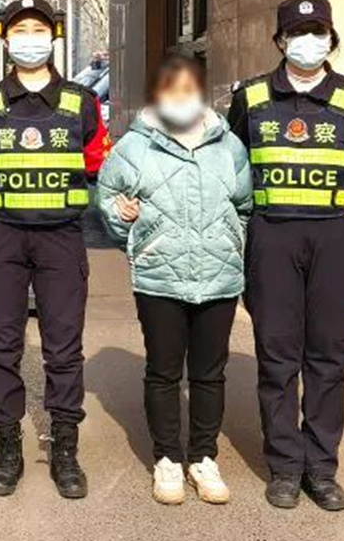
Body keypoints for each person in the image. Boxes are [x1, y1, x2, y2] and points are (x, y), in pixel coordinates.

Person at [228, 0, 344, 513]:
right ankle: (284, 466)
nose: (309, 41)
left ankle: (321, 468)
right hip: (271, 237)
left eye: (318, 32)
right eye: (298, 32)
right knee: (277, 355)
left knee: (328, 356)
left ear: (331, 39)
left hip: (335, 238)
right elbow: (228, 172)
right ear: (280, 41)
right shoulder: (250, 97)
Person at [0, 0, 110, 499]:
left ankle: (65, 450)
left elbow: (95, 163)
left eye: (38, 30)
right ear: (5, 41)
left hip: (61, 238)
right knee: (1, 345)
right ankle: (8, 450)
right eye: (19, 30)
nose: (29, 39)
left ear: (53, 37)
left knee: (63, 347)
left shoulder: (81, 103)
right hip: (2, 236)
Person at [97, 54, 253, 506]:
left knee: (209, 373)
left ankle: (203, 457)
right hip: (159, 277)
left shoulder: (229, 145)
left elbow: (245, 206)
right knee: (163, 371)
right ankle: (167, 458)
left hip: (218, 278)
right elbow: (106, 198)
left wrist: (230, 243)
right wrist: (124, 221)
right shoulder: (134, 145)